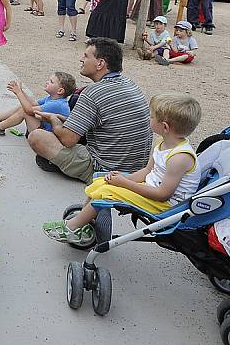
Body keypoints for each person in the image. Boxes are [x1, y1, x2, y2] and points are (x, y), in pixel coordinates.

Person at [43, 93, 201, 246]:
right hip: (152, 189)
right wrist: (124, 179)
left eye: (152, 116)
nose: (149, 118)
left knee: (108, 192)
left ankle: (71, 228)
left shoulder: (179, 158)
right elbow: (147, 171)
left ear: (165, 127)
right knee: (102, 180)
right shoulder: (162, 142)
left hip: (166, 205)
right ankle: (85, 221)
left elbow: (162, 195)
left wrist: (124, 184)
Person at [28, 37, 152, 182]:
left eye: (86, 56)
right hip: (136, 169)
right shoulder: (129, 84)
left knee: (37, 137)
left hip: (106, 170)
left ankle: (75, 170)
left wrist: (54, 121)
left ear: (100, 63)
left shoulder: (93, 92)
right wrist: (67, 121)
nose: (81, 59)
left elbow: (68, 140)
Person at [0, 72, 76, 137]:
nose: (47, 82)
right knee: (24, 106)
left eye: (51, 82)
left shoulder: (58, 104)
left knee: (25, 111)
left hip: (47, 136)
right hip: (43, 128)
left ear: (60, 91)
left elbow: (29, 110)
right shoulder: (52, 98)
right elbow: (33, 103)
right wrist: (21, 91)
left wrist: (18, 93)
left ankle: (0, 127)